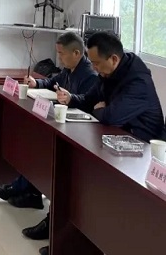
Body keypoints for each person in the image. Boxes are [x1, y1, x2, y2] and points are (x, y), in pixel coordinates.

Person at [39, 32, 165, 255]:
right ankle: (71, 240)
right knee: (80, 179)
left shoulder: (138, 81)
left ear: (114, 59)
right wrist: (71, 98)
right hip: (116, 144)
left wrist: (99, 110)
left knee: (99, 192)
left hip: (140, 153)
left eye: (96, 63)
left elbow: (110, 116)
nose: (94, 68)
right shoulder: (109, 73)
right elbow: (89, 100)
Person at [0, 33, 98, 246]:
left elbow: (89, 103)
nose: (58, 58)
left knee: (47, 155)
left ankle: (40, 203)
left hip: (79, 133)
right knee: (36, 144)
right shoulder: (69, 69)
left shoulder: (89, 74)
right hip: (62, 124)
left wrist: (71, 99)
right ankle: (28, 189)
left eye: (62, 54)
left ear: (76, 53)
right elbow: (52, 82)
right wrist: (37, 82)